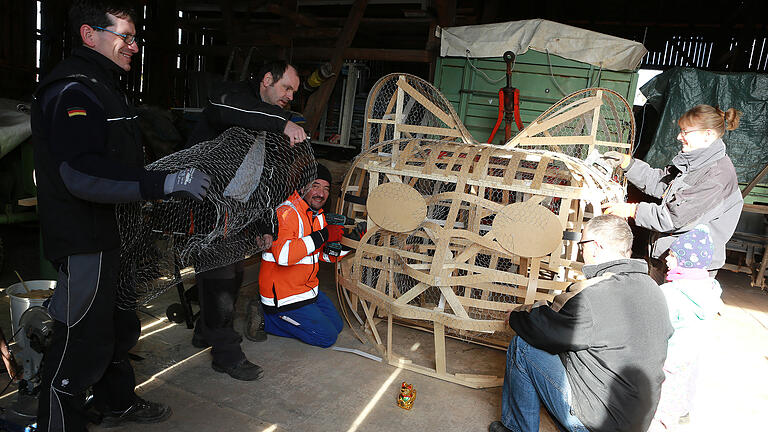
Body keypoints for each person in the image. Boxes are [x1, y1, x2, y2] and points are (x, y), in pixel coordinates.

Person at [31, 1, 211, 430]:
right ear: (89, 35)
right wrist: (161, 184)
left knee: (118, 329)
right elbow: (80, 174)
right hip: (85, 241)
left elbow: (117, 162)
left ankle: (115, 402)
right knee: (80, 345)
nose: (133, 47)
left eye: (134, 37)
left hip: (113, 235)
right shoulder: (72, 91)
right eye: (124, 36)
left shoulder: (103, 87)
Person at [489, 215, 673, 432]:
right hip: (635, 420)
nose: (581, 251)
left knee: (523, 346)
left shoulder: (594, 296)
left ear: (596, 247)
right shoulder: (652, 288)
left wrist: (517, 317)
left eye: (582, 244)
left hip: (600, 423)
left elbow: (545, 332)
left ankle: (516, 429)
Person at [187, 61, 306, 381]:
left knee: (229, 276)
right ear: (267, 79)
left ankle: (204, 331)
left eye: (293, 92)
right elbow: (239, 111)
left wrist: (265, 225)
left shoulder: (265, 121)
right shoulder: (230, 98)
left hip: (238, 212)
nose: (290, 97)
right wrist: (284, 123)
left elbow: (263, 178)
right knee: (222, 282)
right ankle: (226, 353)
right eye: (287, 88)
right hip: (205, 207)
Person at [602, 105, 743, 280]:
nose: (679, 137)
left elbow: (673, 218)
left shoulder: (717, 176)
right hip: (668, 257)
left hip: (689, 268)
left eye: (685, 132)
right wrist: (628, 164)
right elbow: (661, 183)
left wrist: (632, 210)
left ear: (708, 134)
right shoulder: (695, 164)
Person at [258, 164, 349, 347]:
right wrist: (324, 235)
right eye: (315, 186)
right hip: (284, 296)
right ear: (302, 187)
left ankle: (282, 317)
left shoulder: (318, 215)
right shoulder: (285, 213)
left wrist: (349, 245)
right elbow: (284, 256)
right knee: (327, 337)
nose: (321, 193)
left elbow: (318, 255)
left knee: (337, 326)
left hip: (306, 289)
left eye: (325, 188)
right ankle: (264, 319)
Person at [650, 225, 723, 431]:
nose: (667, 259)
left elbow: (654, 329)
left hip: (665, 362)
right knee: (670, 409)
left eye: (673, 255)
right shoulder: (709, 290)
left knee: (654, 410)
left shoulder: (671, 293)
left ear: (687, 260)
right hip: (686, 363)